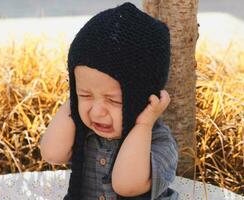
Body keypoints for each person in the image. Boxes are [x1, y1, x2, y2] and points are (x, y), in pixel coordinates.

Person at [40, 2, 179, 199]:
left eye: (113, 101)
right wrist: (74, 99)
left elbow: (127, 185)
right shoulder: (84, 132)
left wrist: (143, 125)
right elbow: (52, 153)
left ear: (143, 98)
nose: (97, 112)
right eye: (85, 95)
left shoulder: (158, 141)